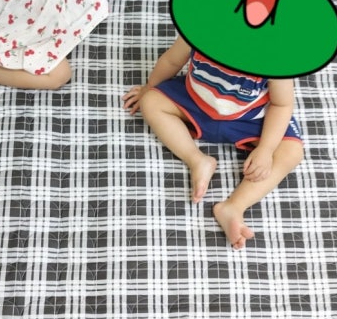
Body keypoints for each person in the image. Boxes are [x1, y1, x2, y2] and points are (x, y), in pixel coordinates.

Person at [123, 35, 304, 250]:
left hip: (249, 118)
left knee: (291, 151)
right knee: (151, 102)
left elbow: (281, 104)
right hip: (195, 102)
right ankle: (197, 160)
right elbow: (171, 61)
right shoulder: (198, 33)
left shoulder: (276, 57)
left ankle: (234, 206)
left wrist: (266, 148)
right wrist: (149, 87)